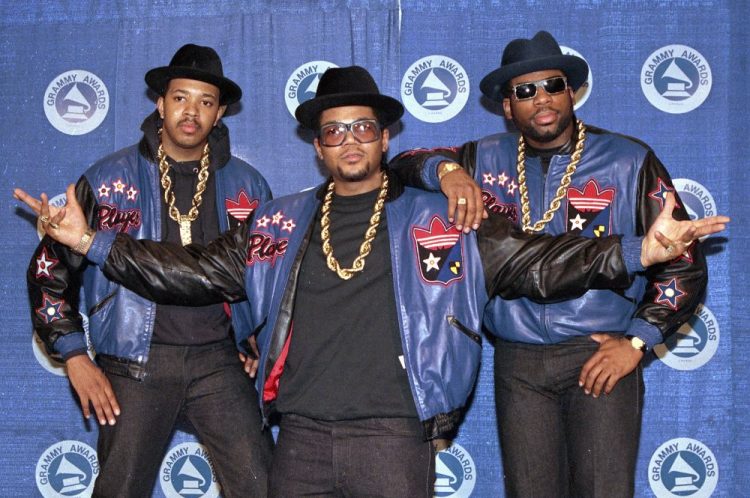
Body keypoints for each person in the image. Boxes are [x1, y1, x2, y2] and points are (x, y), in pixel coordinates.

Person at [16, 66, 726, 497]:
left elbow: (543, 263)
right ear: (318, 146)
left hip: (393, 438)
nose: (349, 140)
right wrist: (92, 241)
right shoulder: (280, 221)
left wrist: (637, 251)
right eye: (333, 131)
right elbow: (190, 270)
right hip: (297, 438)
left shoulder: (441, 216)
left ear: (386, 139)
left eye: (362, 127)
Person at [391, 31, 712, 497]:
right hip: (518, 360)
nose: (541, 99)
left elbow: (682, 260)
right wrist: (448, 171)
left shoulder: (628, 159)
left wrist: (638, 342)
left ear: (572, 91)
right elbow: (401, 164)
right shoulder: (480, 159)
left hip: (597, 353)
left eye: (553, 85)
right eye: (524, 90)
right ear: (507, 106)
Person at [25, 44, 273, 497]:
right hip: (132, 361)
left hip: (219, 361)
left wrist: (257, 338)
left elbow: (265, 276)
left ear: (219, 114)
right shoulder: (106, 179)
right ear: (160, 104)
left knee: (264, 486)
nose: (191, 112)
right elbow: (48, 270)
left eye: (205, 101)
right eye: (180, 98)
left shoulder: (249, 186)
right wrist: (75, 355)